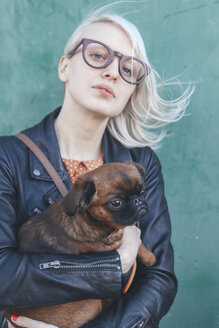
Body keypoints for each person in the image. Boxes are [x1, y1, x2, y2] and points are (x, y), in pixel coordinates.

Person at [0, 6, 193, 328]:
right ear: (65, 66)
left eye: (128, 69)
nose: (113, 72)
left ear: (131, 90)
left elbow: (159, 279)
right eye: (98, 55)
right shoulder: (7, 157)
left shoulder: (141, 162)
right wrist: (120, 260)